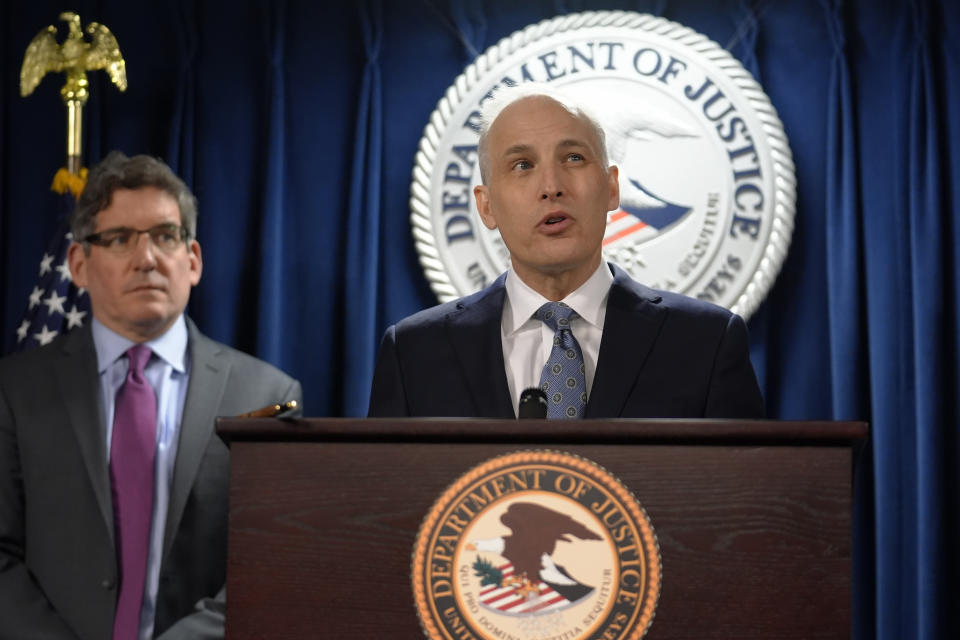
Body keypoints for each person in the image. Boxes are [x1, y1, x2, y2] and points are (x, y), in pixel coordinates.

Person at [0, 152, 302, 640]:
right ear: (79, 264)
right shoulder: (14, 391)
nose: (147, 258)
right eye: (119, 239)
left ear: (193, 259)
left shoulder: (267, 394)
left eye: (165, 235)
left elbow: (270, 560)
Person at [368, 85, 763, 419]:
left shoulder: (706, 344)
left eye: (573, 158)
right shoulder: (414, 354)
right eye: (522, 165)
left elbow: (745, 499)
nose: (552, 186)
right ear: (486, 206)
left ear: (611, 188)